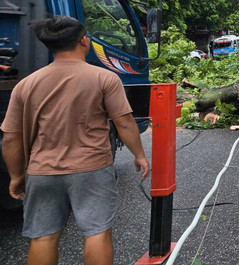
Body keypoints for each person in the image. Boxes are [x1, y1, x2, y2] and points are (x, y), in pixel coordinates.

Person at [1, 15, 149, 265]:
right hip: (91, 168)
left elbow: (11, 138)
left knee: (43, 237)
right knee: (96, 232)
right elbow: (123, 122)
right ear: (83, 41)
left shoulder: (26, 85)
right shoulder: (104, 78)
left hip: (42, 171)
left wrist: (16, 176)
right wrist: (140, 155)